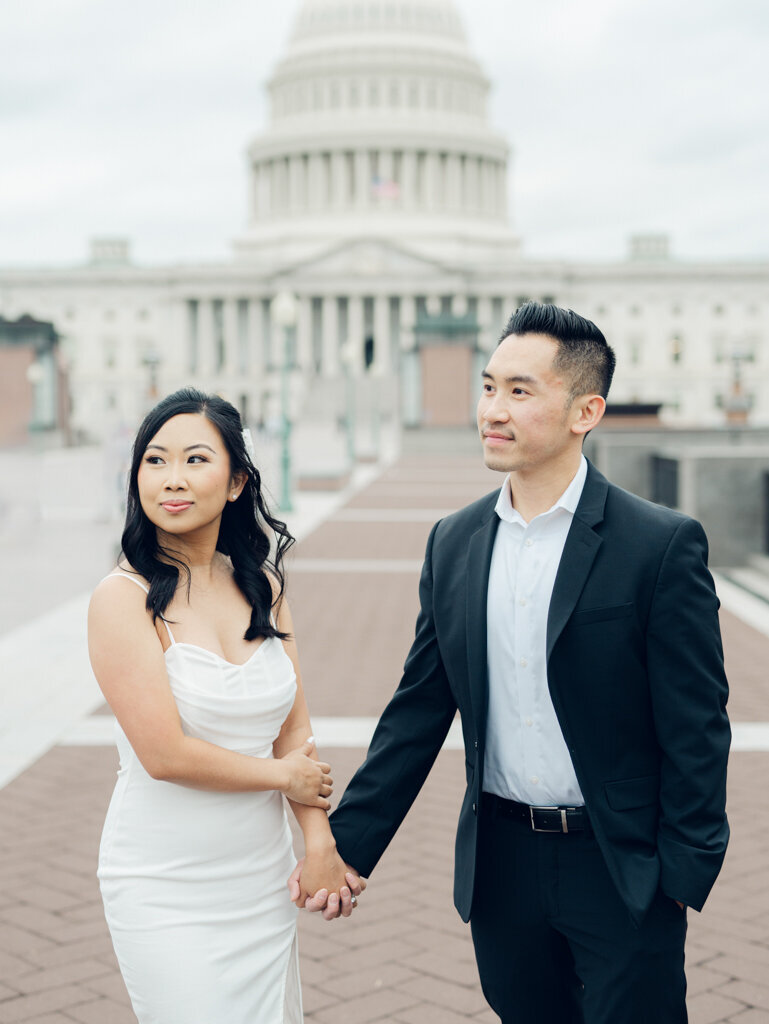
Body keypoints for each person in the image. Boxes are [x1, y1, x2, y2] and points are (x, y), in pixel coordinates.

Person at [291, 303, 730, 1023]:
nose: (492, 410)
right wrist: (346, 848)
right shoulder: (454, 541)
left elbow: (696, 723)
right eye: (488, 386)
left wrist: (681, 870)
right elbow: (419, 709)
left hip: (618, 863)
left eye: (519, 391)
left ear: (585, 410)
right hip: (501, 864)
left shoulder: (658, 545)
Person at [88, 388, 361, 1024]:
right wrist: (280, 777)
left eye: (194, 460)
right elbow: (163, 754)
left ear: (237, 480)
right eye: (154, 461)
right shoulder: (122, 598)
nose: (172, 480)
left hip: (258, 879)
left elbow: (295, 730)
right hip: (162, 882)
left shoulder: (262, 585)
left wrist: (317, 842)